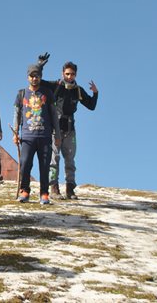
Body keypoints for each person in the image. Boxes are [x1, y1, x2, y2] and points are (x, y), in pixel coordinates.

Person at [46, 61, 99, 199]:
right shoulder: (56, 86)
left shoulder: (78, 90)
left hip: (70, 130)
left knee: (70, 160)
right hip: (55, 129)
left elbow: (91, 106)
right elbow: (38, 82)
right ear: (63, 73)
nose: (70, 77)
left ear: (76, 75)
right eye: (67, 74)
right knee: (54, 159)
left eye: (73, 74)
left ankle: (70, 189)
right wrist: (40, 65)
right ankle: (54, 189)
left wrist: (95, 93)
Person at [12, 63, 60, 205]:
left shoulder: (48, 94)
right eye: (32, 76)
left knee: (44, 166)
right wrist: (15, 133)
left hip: (45, 136)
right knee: (25, 163)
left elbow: (54, 115)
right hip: (27, 137)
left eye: (37, 76)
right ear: (28, 77)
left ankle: (44, 193)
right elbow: (17, 115)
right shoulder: (21, 94)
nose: (34, 78)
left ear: (40, 77)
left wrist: (57, 135)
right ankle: (25, 190)